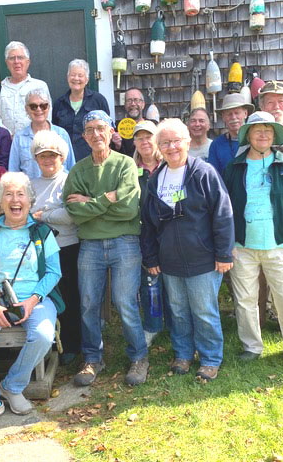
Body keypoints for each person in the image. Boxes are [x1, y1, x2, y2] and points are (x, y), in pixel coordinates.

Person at [0, 172, 63, 434]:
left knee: (42, 335)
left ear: (29, 200)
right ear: (0, 201)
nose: (15, 200)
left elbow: (53, 272)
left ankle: (12, 386)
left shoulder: (41, 231)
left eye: (20, 194)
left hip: (36, 299)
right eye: (8, 194)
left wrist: (32, 300)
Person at [141, 118, 234, 381]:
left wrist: (224, 253)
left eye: (176, 141)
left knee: (204, 311)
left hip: (203, 259)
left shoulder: (203, 173)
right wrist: (150, 257)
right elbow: (147, 223)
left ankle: (210, 358)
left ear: (187, 142)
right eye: (165, 143)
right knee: (179, 311)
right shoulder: (155, 180)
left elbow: (223, 214)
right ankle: (183, 354)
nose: (171, 147)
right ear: (159, 147)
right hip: (169, 261)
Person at [63, 110, 148, 387]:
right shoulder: (78, 170)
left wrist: (91, 202)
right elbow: (75, 212)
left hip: (125, 241)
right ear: (84, 136)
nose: (96, 134)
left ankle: (138, 357)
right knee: (88, 303)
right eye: (90, 130)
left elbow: (128, 208)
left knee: (125, 302)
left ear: (112, 131)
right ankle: (92, 359)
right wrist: (107, 199)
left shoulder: (125, 164)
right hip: (90, 244)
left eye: (101, 128)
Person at [223, 111, 283, 376]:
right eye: (257, 129)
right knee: (246, 300)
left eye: (268, 130)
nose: (263, 134)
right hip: (243, 246)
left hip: (280, 246)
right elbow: (224, 210)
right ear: (248, 135)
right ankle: (251, 346)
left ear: (274, 135)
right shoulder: (234, 168)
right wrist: (229, 244)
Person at [30, 130, 81, 364]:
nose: (48, 160)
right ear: (36, 159)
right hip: (38, 251)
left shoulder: (70, 180)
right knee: (45, 296)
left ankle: (71, 345)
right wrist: (50, 214)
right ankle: (48, 345)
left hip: (67, 246)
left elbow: (72, 215)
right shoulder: (31, 184)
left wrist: (43, 215)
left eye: (53, 155)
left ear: (62, 157)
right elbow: (27, 215)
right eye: (43, 156)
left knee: (69, 297)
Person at [132, 120, 169, 347]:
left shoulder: (168, 165)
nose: (145, 141)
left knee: (172, 283)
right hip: (143, 233)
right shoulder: (130, 168)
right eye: (140, 137)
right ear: (134, 142)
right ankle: (153, 326)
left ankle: (175, 325)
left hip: (169, 231)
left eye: (149, 137)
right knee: (150, 282)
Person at [8, 88, 74, 179]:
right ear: (26, 109)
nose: (38, 109)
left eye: (43, 106)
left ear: (49, 107)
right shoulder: (19, 138)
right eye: (33, 106)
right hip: (30, 191)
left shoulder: (62, 134)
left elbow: (72, 169)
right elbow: (13, 173)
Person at [52, 59, 110, 161]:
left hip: (92, 159)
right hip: (65, 160)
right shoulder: (59, 104)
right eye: (73, 75)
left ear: (87, 79)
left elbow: (108, 130)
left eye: (80, 75)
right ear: (68, 77)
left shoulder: (98, 100)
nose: (76, 78)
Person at [0, 41, 51, 136]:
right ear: (7, 63)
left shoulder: (39, 86)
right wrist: (7, 134)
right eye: (12, 58)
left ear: (28, 62)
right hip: (7, 144)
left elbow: (47, 116)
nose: (16, 62)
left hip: (35, 141)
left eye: (20, 57)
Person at [208, 93, 254, 174]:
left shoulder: (256, 141)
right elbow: (213, 176)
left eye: (237, 113)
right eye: (229, 114)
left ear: (245, 114)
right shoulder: (216, 145)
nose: (233, 117)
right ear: (223, 117)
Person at [111, 87, 145, 157]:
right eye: (129, 100)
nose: (133, 104)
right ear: (125, 105)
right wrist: (118, 146)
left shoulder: (151, 126)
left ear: (143, 104)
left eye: (136, 100)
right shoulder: (117, 128)